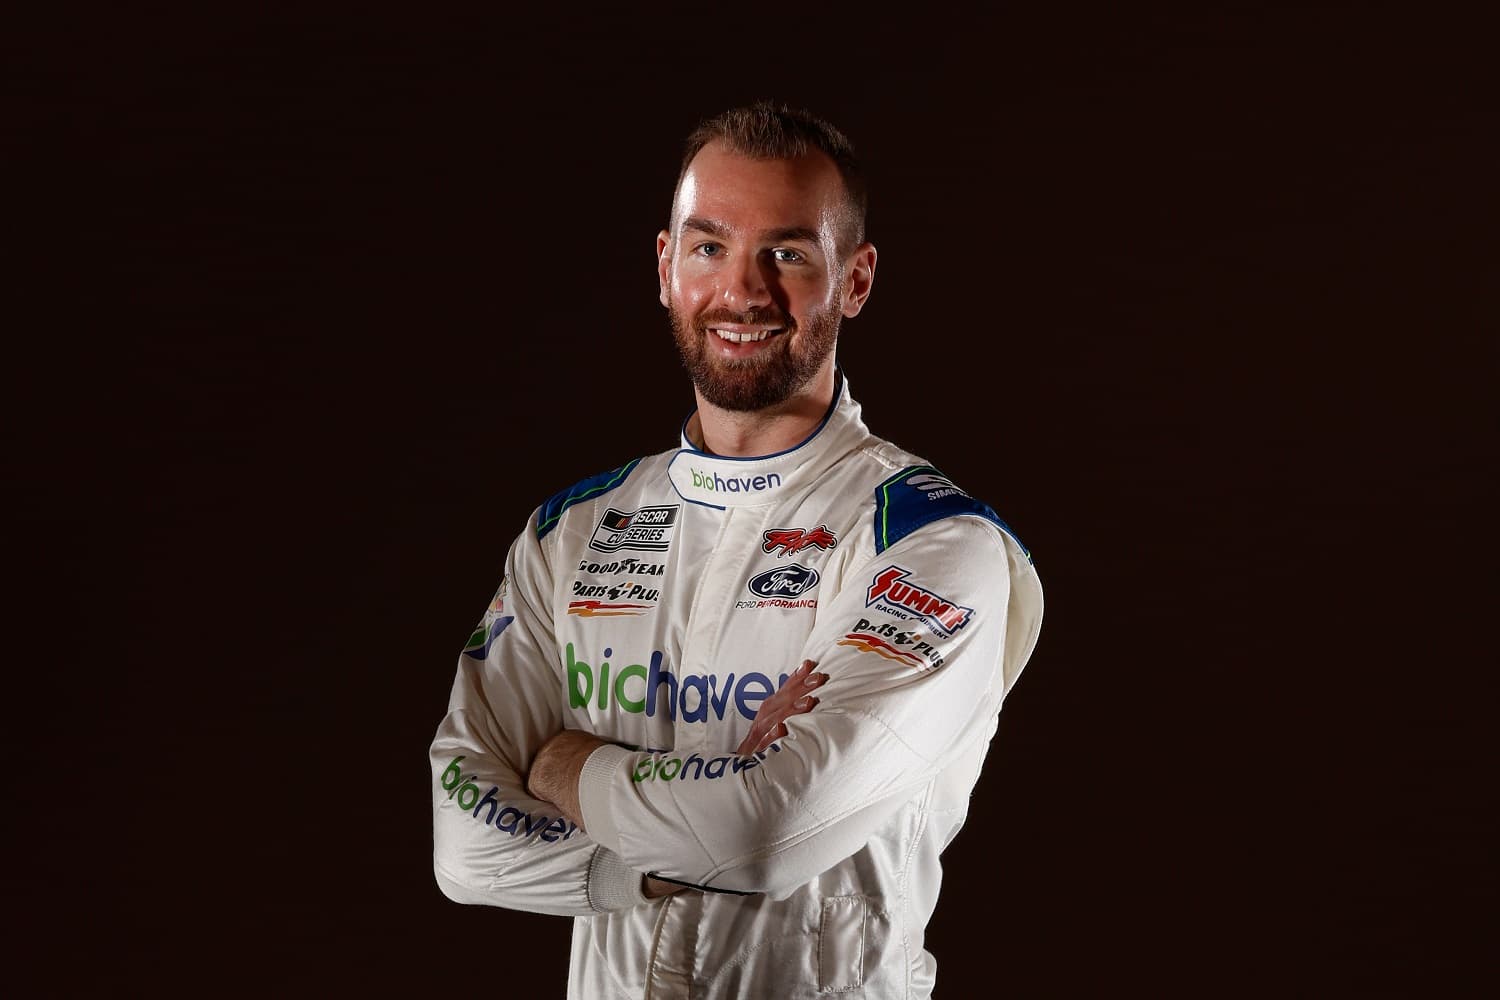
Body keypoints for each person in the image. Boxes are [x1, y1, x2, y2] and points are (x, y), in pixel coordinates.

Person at [429, 101, 1044, 999]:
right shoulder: (573, 530)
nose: (743, 292)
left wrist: (565, 765)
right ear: (666, 267)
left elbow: (764, 832)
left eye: (787, 254)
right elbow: (465, 846)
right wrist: (687, 831)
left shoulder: (933, 541)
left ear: (857, 280)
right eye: (709, 246)